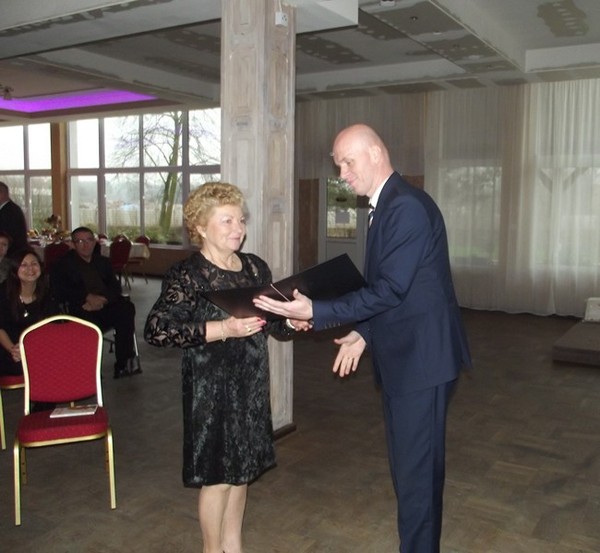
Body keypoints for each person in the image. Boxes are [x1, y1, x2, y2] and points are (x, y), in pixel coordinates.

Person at [253, 124, 472, 553]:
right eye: (338, 166)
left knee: (417, 477)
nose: (342, 174)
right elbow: (404, 290)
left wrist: (318, 311)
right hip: (409, 358)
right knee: (410, 471)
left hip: (422, 362)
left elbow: (390, 289)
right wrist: (362, 332)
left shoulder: (404, 207)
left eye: (347, 162)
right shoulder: (388, 204)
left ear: (375, 153)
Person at [144, 182, 308, 553]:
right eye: (228, 220)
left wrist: (292, 321)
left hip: (250, 385)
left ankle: (233, 547)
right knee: (217, 477)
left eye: (241, 220)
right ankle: (211, 549)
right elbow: (156, 329)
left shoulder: (254, 267)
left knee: (241, 473)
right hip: (211, 390)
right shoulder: (189, 275)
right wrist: (223, 329)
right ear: (201, 227)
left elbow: (272, 324)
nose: (239, 228)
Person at [49, 226, 139, 379]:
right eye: (80, 241)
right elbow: (59, 290)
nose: (85, 245)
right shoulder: (62, 265)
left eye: (89, 240)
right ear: (73, 244)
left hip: (105, 304)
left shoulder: (103, 262)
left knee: (126, 309)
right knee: (85, 321)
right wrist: (86, 297)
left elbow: (115, 287)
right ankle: (91, 369)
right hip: (81, 306)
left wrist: (103, 300)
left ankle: (124, 363)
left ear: (94, 242)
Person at [0, 249, 59, 377]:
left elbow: (52, 325)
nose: (30, 269)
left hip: (37, 346)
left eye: (34, 264)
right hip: (9, 347)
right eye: (24, 265)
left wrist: (36, 348)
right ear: (15, 269)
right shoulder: (4, 292)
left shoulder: (47, 293)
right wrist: (13, 350)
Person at [0, 182, 28, 256]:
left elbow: (5, 234)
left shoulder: (9, 211)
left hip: (11, 253)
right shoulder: (10, 208)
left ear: (2, 194)